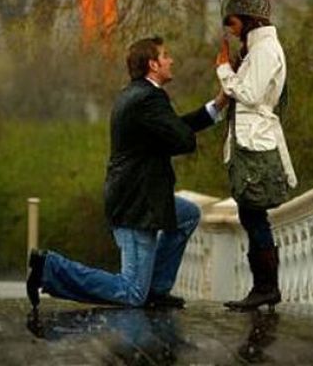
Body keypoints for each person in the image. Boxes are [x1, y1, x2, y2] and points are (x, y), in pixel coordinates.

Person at [27, 36, 226, 309]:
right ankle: (49, 267)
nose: (171, 60)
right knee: (131, 292)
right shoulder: (149, 99)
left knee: (187, 215)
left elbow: (173, 127)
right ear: (153, 65)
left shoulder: (135, 94)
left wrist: (217, 105)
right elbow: (181, 139)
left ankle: (156, 289)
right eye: (165, 55)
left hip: (139, 197)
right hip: (137, 206)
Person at [215, 0, 298, 312]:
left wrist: (224, 69)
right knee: (251, 214)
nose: (228, 28)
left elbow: (248, 93)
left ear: (249, 20)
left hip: (256, 142)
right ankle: (264, 287)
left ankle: (266, 287)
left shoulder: (265, 50)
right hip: (249, 140)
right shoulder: (256, 49)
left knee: (253, 213)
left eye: (231, 21)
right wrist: (235, 64)